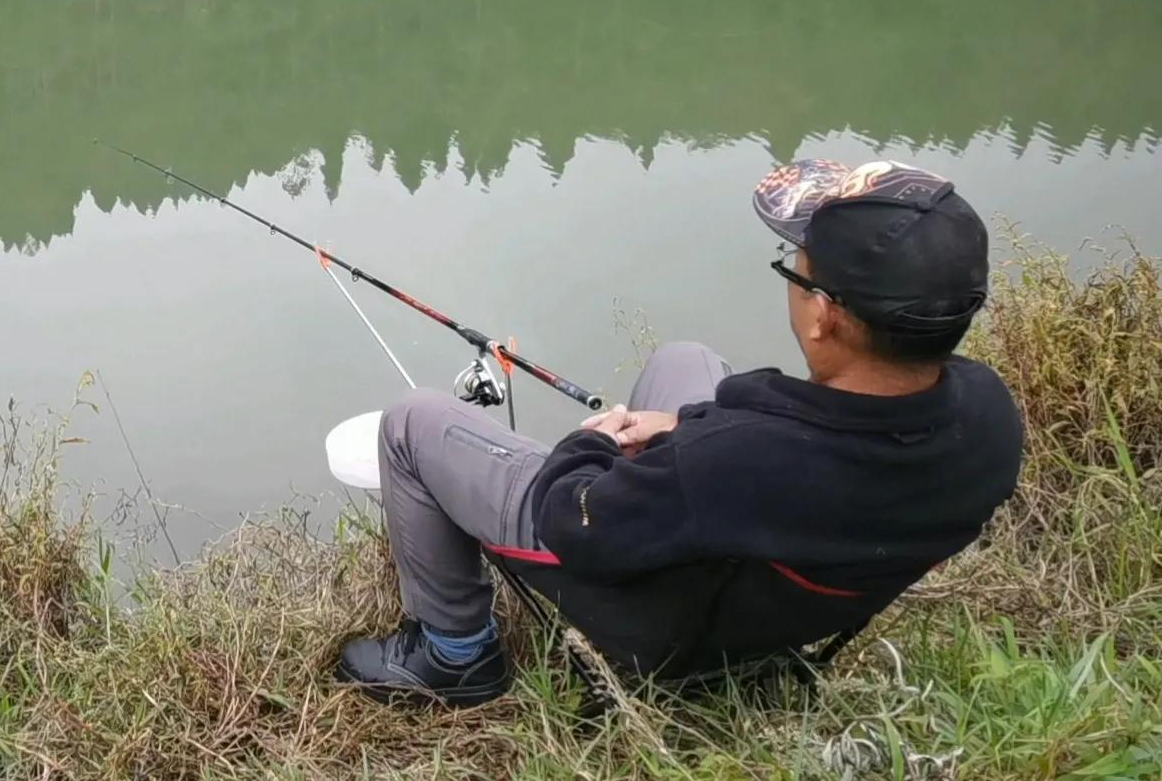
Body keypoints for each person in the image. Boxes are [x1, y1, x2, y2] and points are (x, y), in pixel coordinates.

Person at [332, 160, 1023, 706]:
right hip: (763, 599)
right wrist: (688, 427)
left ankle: (455, 656)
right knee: (684, 361)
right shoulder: (989, 422)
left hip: (665, 622)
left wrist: (595, 444)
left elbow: (572, 517)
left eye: (795, 263)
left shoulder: (729, 463)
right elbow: (757, 453)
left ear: (824, 315)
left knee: (412, 422)